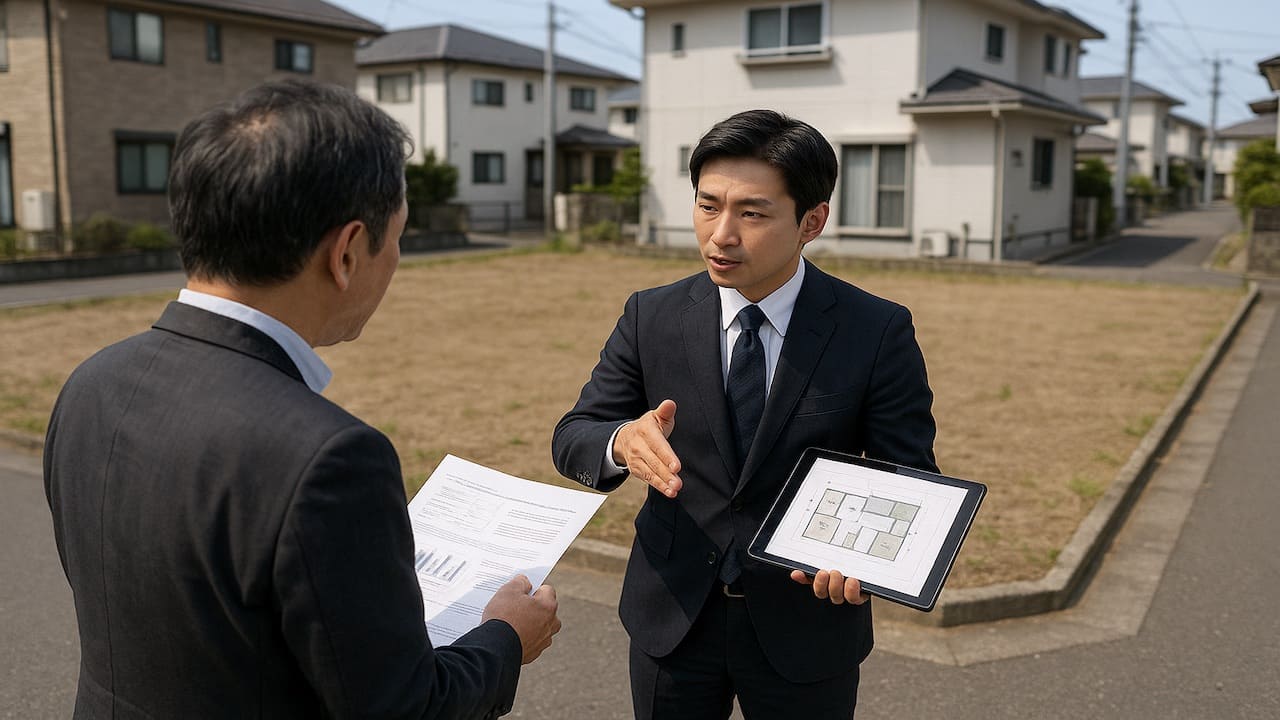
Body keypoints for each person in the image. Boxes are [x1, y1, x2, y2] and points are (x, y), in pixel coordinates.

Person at [44, 80, 560, 719]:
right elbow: (405, 708)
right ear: (346, 253)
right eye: (396, 237)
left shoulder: (91, 383)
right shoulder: (329, 459)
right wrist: (505, 636)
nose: (396, 260)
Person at [552, 109, 937, 719]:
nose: (720, 235)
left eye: (752, 214)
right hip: (671, 616)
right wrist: (622, 440)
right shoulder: (652, 315)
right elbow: (574, 434)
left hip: (808, 625)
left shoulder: (875, 329)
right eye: (708, 206)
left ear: (812, 221)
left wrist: (864, 558)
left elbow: (908, 475)